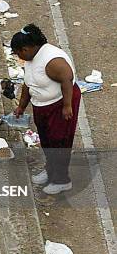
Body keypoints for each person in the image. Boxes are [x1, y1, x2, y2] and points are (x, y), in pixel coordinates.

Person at [11, 24, 81, 195]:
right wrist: (21, 106)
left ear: (26, 49)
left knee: (59, 142)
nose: (18, 56)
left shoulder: (52, 61)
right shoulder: (30, 59)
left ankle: (62, 180)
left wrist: (66, 106)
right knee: (47, 141)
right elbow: (28, 83)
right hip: (41, 106)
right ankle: (50, 170)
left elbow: (67, 79)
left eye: (18, 52)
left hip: (59, 106)